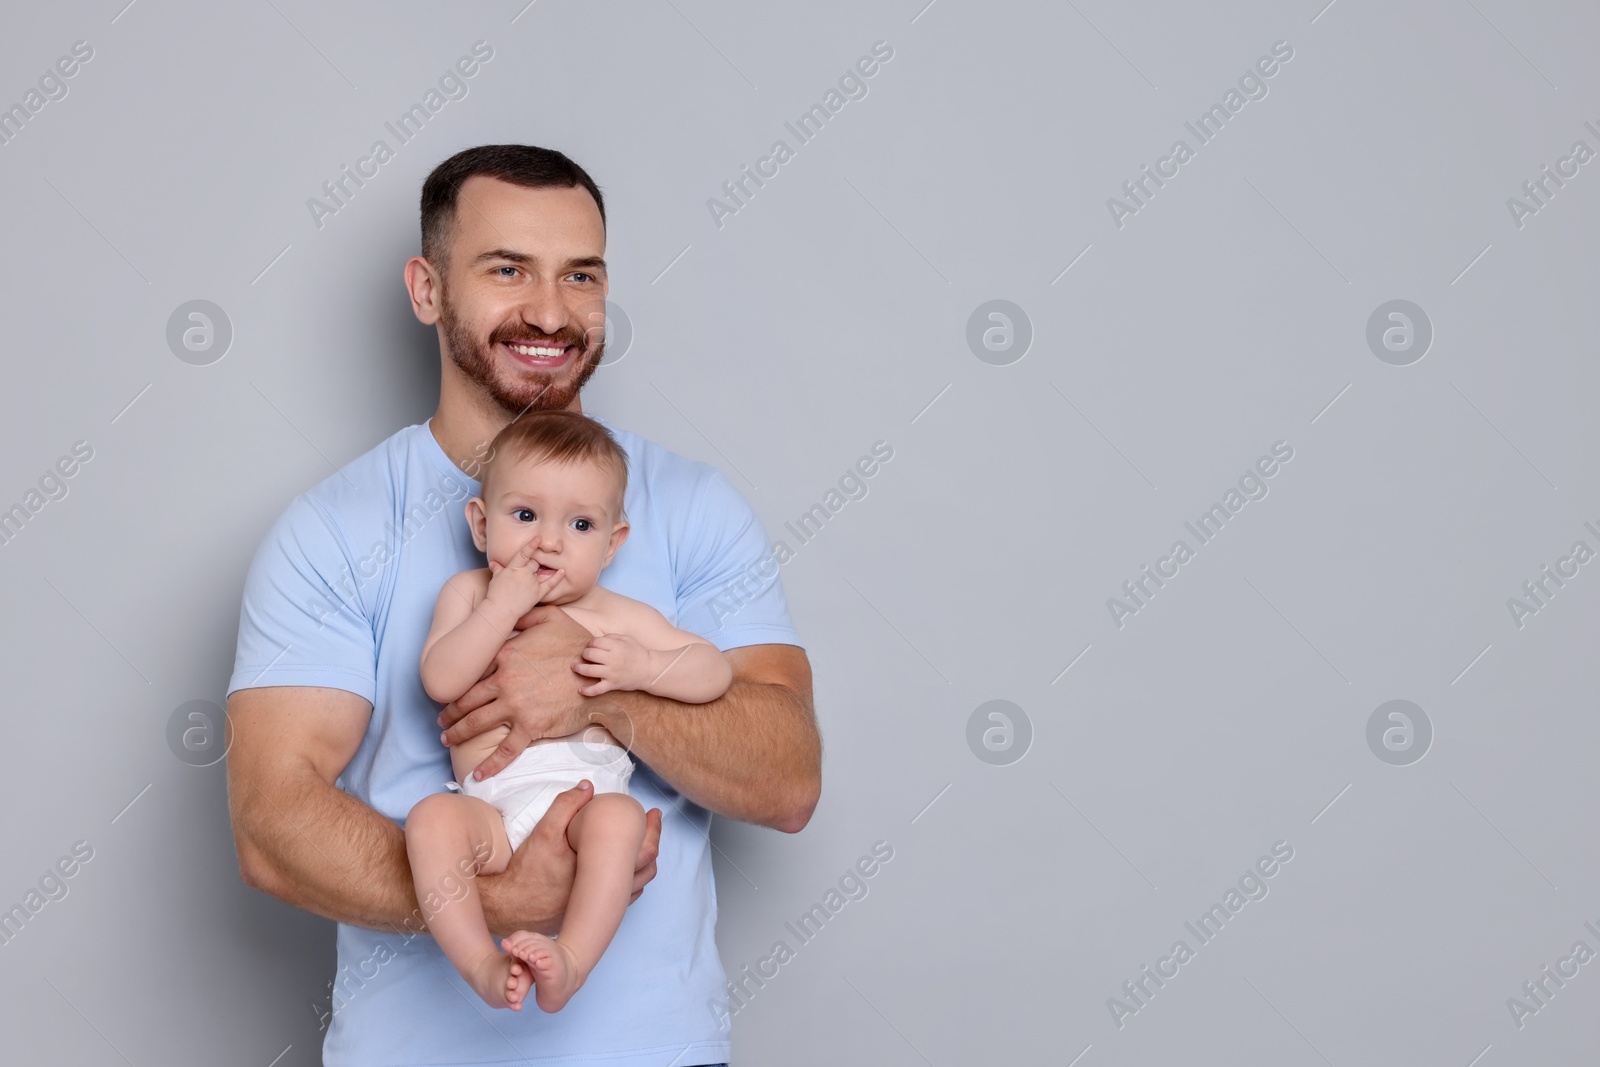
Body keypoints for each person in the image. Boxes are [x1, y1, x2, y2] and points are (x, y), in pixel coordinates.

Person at [225, 143, 820, 1067]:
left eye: (580, 275)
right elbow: (273, 827)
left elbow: (787, 780)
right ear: (426, 289)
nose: (550, 312)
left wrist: (598, 696)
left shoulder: (694, 505)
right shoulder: (333, 529)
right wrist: (503, 897)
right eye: (508, 270)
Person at [409, 409, 733, 1013]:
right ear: (481, 525)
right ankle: (480, 961)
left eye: (580, 524)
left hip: (583, 798)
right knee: (430, 820)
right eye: (525, 515)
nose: (549, 541)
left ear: (613, 542)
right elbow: (441, 678)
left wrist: (639, 668)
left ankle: (574, 960)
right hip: (490, 809)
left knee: (619, 819)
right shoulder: (469, 594)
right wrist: (499, 608)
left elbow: (713, 670)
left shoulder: (618, 615)